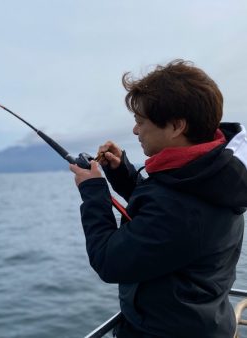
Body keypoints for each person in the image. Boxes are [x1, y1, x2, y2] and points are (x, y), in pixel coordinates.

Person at [70, 59, 247, 337]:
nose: (135, 130)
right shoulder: (212, 175)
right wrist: (122, 175)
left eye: (141, 122)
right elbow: (164, 217)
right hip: (204, 322)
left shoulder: (182, 204)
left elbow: (109, 260)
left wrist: (93, 193)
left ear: (176, 126)